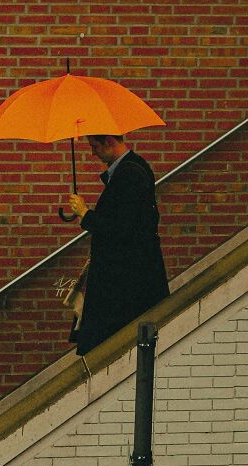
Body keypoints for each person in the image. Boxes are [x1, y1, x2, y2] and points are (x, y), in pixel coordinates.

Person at [68, 134, 169, 357]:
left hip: (124, 281)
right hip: (132, 277)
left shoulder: (129, 175)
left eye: (95, 146)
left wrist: (85, 213)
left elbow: (122, 227)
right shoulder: (133, 169)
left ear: (109, 142)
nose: (92, 153)